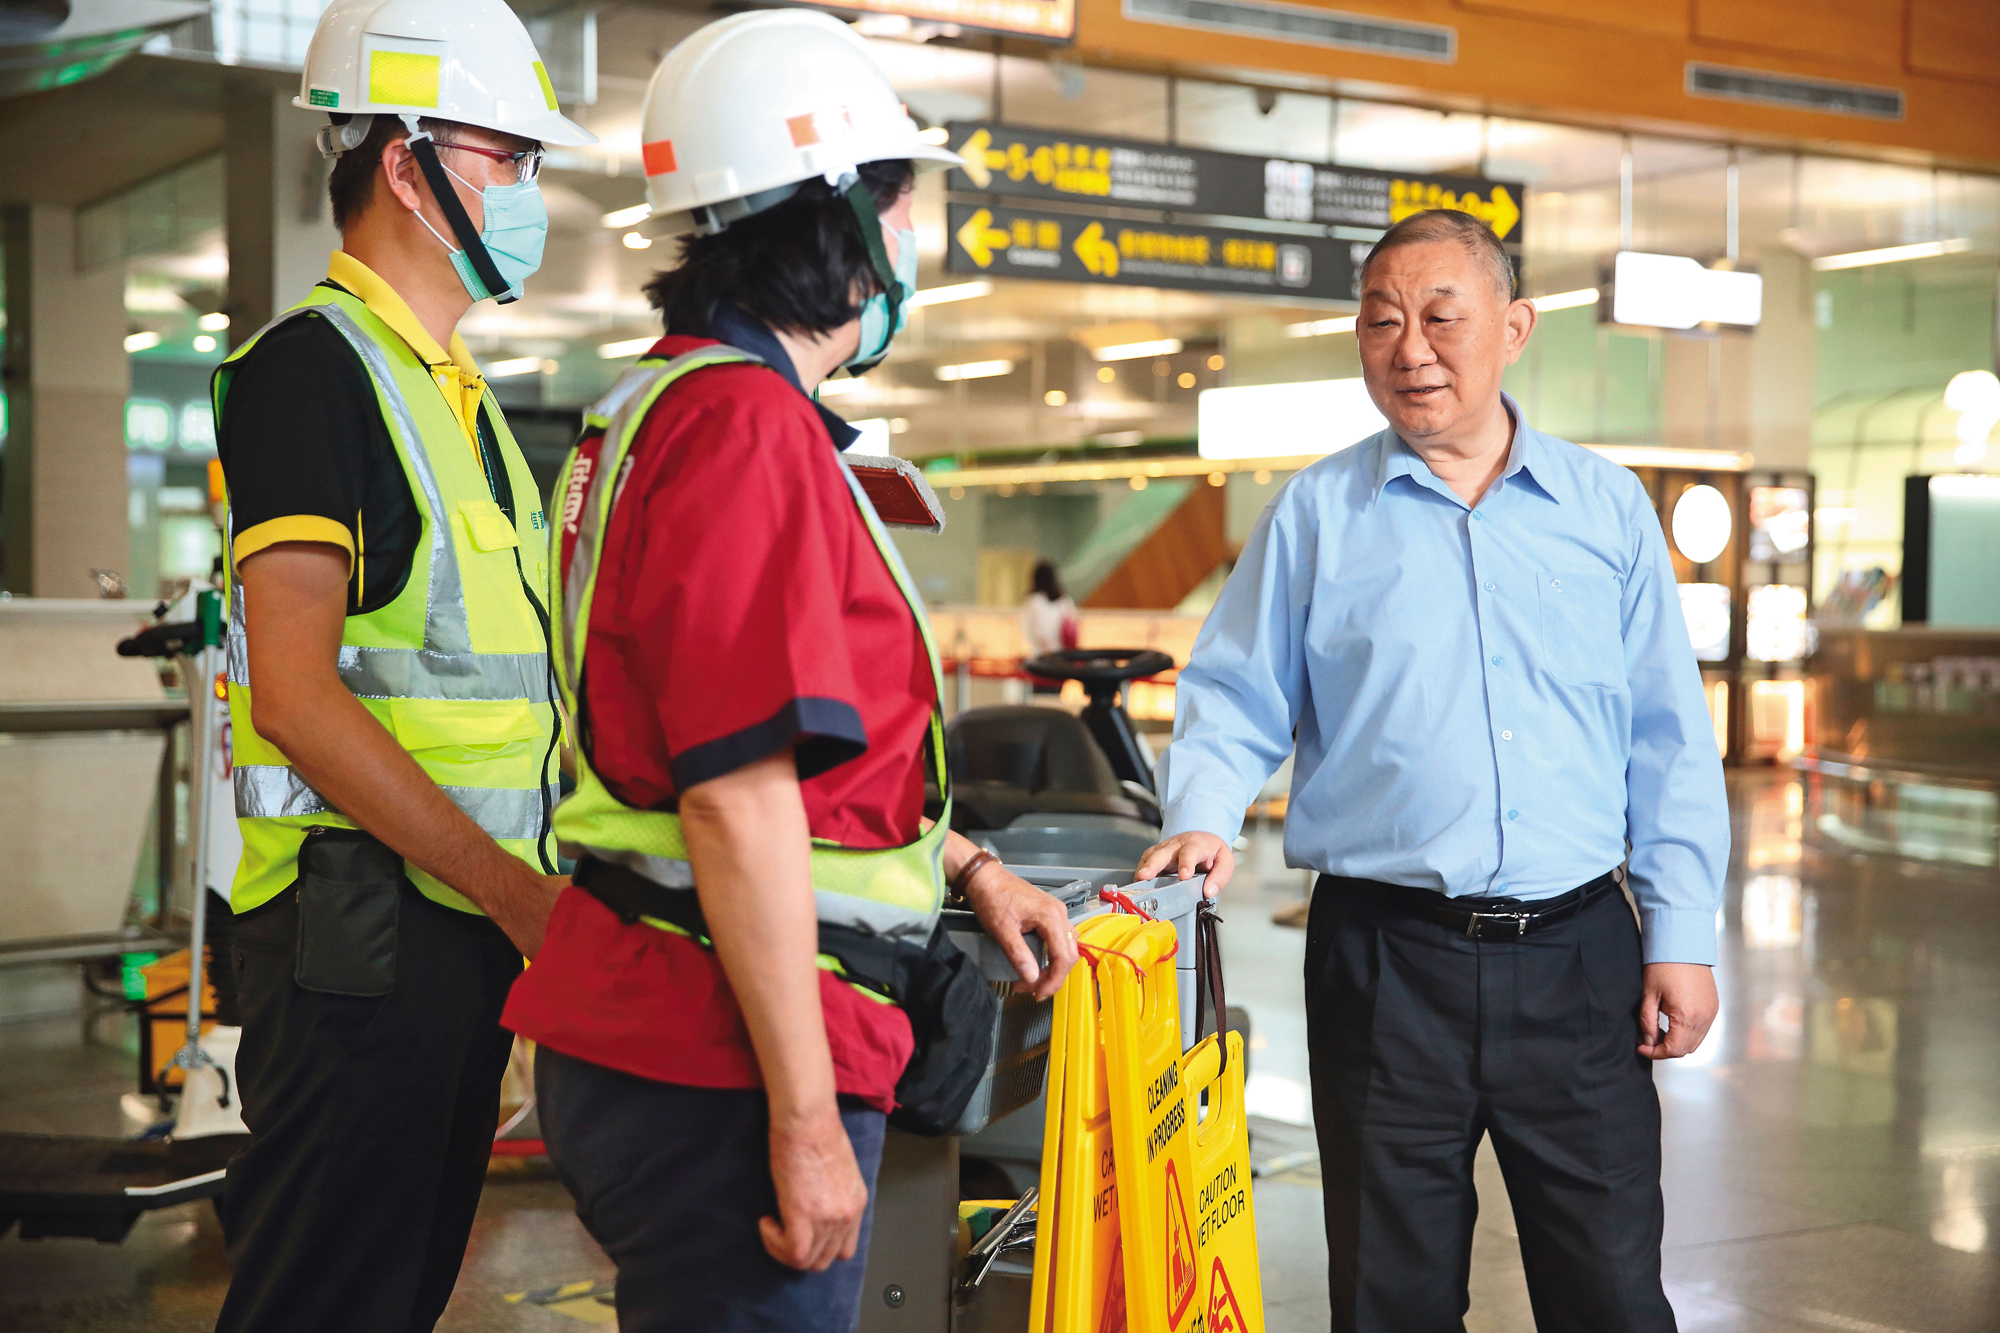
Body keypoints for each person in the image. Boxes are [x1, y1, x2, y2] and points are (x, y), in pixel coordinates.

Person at [497, 13, 1079, 1332]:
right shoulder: (746, 428)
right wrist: (807, 1124)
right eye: (902, 202)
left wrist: (971, 870)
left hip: (662, 1015)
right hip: (729, 1054)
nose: (914, 240)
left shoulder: (657, 406)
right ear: (842, 223)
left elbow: (795, 780)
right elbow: (733, 796)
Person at [1138, 208, 1728, 1333]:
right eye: (1380, 321)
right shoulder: (1316, 514)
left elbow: (1665, 735)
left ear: (1511, 328)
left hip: (1577, 958)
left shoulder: (1602, 508)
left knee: (1606, 1283)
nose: (1409, 348)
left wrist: (1679, 932)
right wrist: (1203, 815)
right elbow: (1233, 693)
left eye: (1440, 317)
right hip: (1380, 961)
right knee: (1386, 1293)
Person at [210, 2, 592, 1328]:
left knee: (398, 1290)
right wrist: (509, 890)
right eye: (512, 158)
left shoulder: (457, 395)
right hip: (357, 942)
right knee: (325, 1298)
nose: (531, 193)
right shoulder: (312, 373)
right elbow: (299, 699)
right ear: (407, 163)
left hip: (453, 940)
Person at [1020, 560, 1078, 694]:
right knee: (1055, 696)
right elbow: (1073, 624)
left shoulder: (1033, 602)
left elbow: (1031, 632)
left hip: (1041, 659)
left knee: (1040, 699)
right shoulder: (1064, 601)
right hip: (1062, 659)